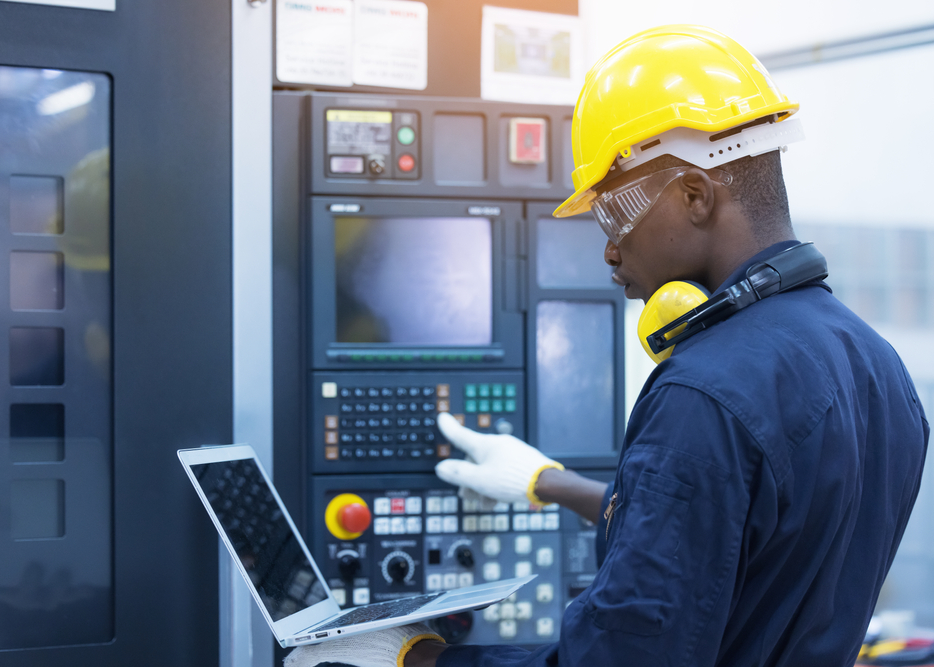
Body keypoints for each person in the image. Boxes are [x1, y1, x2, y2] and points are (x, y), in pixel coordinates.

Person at [286, 24, 929, 667]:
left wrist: (414, 657)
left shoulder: (703, 391)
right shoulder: (878, 367)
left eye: (614, 215)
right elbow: (737, 540)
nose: (610, 250)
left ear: (695, 195)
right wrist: (550, 483)